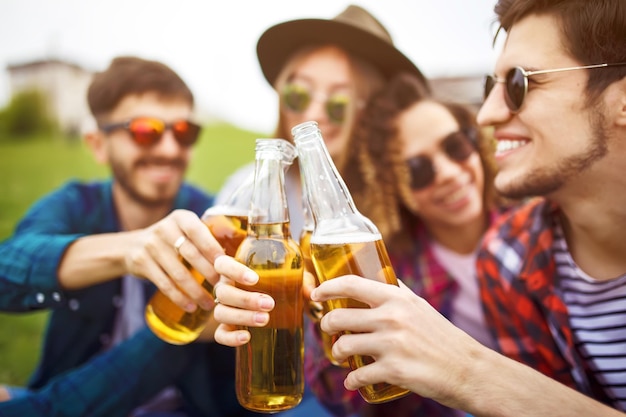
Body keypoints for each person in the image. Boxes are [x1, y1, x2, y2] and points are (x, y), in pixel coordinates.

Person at [212, 0, 626, 415]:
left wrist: (464, 370)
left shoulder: (510, 243)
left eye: (456, 145)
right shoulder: (504, 255)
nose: (316, 112)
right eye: (417, 169)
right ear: (392, 176)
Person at [0, 56, 257, 416]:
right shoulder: (76, 205)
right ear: (98, 144)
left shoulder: (213, 220)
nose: (169, 148)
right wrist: (127, 249)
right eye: (145, 130)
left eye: (184, 131)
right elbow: (8, 270)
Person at [214, 5, 429, 416]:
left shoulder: (406, 187)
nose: (312, 112)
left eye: (337, 103)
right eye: (298, 93)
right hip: (303, 391)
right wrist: (239, 306)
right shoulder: (253, 194)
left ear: (369, 109)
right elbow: (211, 313)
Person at [305, 72, 512, 417]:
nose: (447, 172)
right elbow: (345, 399)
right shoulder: (389, 273)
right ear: (392, 185)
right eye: (418, 169)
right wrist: (325, 323)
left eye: (455, 146)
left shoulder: (537, 229)